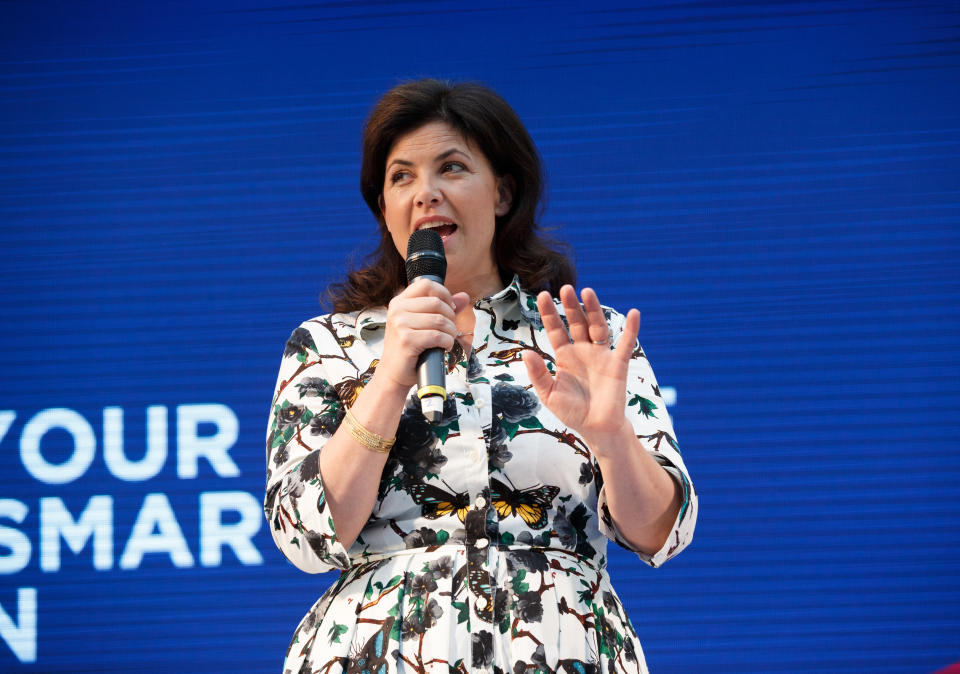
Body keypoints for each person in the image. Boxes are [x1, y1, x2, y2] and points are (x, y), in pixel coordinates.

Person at [264, 78, 697, 674]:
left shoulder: (583, 338)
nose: (426, 194)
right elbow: (305, 535)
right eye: (401, 177)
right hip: (378, 651)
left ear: (502, 193)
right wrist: (390, 376)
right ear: (384, 209)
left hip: (564, 649)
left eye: (452, 168)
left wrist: (611, 437)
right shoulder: (329, 345)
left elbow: (661, 533)